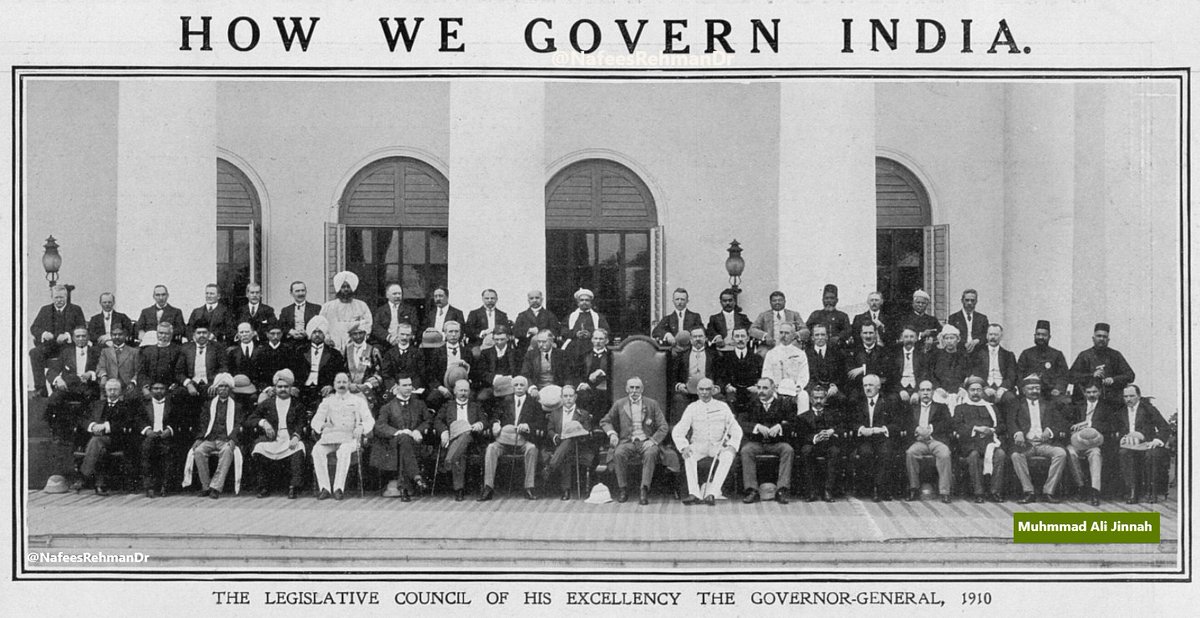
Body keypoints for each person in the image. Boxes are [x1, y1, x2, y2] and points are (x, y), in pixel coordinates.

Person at [601, 377, 679, 505]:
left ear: (642, 389)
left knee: (651, 453)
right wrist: (612, 434)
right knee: (618, 453)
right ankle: (623, 489)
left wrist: (653, 440)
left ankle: (644, 489)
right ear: (627, 389)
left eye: (637, 388)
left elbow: (663, 426)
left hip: (646, 441)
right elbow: (605, 421)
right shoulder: (620, 404)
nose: (634, 390)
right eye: (631, 387)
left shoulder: (652, 404)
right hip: (627, 441)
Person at [673, 378, 743, 506]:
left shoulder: (723, 407)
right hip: (698, 445)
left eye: (707, 389)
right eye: (701, 389)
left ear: (713, 390)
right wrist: (683, 447)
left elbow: (736, 429)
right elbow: (678, 431)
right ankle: (694, 494)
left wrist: (732, 446)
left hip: (717, 445)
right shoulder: (692, 408)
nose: (704, 392)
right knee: (689, 456)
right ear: (697, 391)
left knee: (728, 456)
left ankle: (712, 493)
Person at [479, 376, 545, 501]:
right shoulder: (505, 402)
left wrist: (528, 426)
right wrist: (496, 423)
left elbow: (541, 424)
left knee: (532, 449)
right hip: (504, 440)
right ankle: (488, 487)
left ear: (526, 387)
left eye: (522, 385)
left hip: (523, 440)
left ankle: (529, 487)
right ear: (512, 387)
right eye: (516, 385)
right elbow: (495, 417)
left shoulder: (534, 404)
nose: (519, 387)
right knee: (491, 448)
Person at [310, 372, 374, 500]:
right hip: (331, 437)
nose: (341, 385)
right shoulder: (327, 401)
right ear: (334, 384)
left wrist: (361, 427)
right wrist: (322, 426)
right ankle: (325, 487)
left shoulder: (358, 401)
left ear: (349, 384)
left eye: (344, 382)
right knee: (317, 450)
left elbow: (369, 420)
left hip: (350, 438)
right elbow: (315, 420)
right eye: (338, 382)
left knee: (343, 451)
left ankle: (338, 488)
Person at [246, 369, 308, 499]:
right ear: (275, 388)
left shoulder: (297, 405)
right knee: (258, 448)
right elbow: (251, 419)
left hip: (290, 438)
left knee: (299, 447)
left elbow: (301, 423)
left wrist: (296, 436)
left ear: (291, 388)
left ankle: (293, 486)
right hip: (272, 439)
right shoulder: (267, 404)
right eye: (280, 387)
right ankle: (264, 486)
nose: (283, 389)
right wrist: (264, 423)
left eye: (286, 387)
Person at [1009, 375, 1070, 504]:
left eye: (1037, 388)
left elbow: (1060, 423)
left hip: (1045, 444)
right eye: (1030, 388)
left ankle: (1049, 491)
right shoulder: (1017, 405)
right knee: (1016, 456)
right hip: (1026, 444)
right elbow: (1010, 422)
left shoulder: (1049, 405)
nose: (1034, 391)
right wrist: (1017, 432)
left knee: (1061, 453)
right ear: (1024, 390)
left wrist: (1050, 431)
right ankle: (1029, 492)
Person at [370, 375, 430, 501]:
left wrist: (418, 431)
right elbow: (379, 426)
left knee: (406, 442)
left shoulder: (419, 404)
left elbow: (428, 420)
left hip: (416, 442)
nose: (408, 388)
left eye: (410, 385)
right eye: (405, 385)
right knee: (404, 438)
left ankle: (405, 486)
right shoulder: (387, 407)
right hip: (393, 445)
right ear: (397, 387)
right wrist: (398, 432)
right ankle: (415, 477)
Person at [738, 377, 794, 504]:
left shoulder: (783, 404)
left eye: (765, 388)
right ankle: (752, 490)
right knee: (746, 450)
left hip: (776, 443)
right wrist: (756, 427)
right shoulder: (751, 403)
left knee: (788, 449)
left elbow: (794, 422)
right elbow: (741, 422)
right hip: (757, 443)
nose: (761, 391)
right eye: (759, 388)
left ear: (773, 389)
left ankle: (782, 490)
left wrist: (780, 426)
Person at [189, 373, 245, 499]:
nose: (223, 389)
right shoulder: (209, 405)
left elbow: (238, 424)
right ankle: (206, 486)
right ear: (216, 388)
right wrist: (199, 438)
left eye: (226, 386)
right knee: (198, 451)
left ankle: (216, 487)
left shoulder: (237, 406)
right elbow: (203, 423)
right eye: (220, 386)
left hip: (226, 439)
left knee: (227, 451)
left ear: (230, 389)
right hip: (210, 438)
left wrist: (233, 439)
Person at [72, 378, 129, 495]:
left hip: (115, 439)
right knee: (99, 447)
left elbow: (126, 423)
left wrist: (105, 426)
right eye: (110, 390)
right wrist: (92, 426)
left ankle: (83, 476)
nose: (112, 392)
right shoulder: (96, 404)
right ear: (105, 391)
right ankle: (100, 484)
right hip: (96, 439)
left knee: (96, 441)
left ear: (120, 392)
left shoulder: (125, 406)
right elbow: (84, 419)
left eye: (115, 390)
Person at [954, 377, 1007, 503]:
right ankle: (979, 492)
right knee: (973, 455)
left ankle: (995, 491)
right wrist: (976, 429)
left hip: (989, 443)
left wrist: (991, 430)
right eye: (972, 390)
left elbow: (1002, 426)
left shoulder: (991, 407)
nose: (976, 393)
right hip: (970, 444)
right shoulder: (960, 408)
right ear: (967, 391)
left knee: (1000, 454)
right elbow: (957, 426)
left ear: (983, 392)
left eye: (978, 390)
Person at [1114, 384, 1170, 504]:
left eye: (1132, 396)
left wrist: (1157, 440)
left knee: (1151, 455)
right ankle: (1132, 491)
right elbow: (1115, 430)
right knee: (1123, 453)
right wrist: (1122, 437)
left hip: (1148, 443)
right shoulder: (1121, 411)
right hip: (1130, 445)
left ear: (1139, 396)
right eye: (1126, 396)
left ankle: (1152, 492)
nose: (1128, 399)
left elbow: (1164, 427)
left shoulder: (1148, 409)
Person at [433, 378, 486, 501]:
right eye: (460, 390)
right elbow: (437, 420)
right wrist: (444, 431)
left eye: (466, 391)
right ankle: (459, 489)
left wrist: (480, 424)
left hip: (472, 438)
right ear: (455, 392)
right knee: (460, 450)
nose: (463, 393)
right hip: (454, 438)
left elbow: (485, 420)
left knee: (466, 433)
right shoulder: (447, 406)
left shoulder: (475, 406)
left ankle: (451, 465)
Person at [29, 284, 87, 394]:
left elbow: (82, 327)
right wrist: (44, 333)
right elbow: (34, 328)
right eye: (56, 297)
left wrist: (68, 335)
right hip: (49, 346)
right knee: (34, 353)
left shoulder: (75, 309)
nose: (59, 300)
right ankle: (41, 388)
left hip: (68, 346)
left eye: (62, 297)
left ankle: (70, 389)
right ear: (52, 297)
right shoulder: (45, 309)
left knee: (68, 358)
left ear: (66, 297)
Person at [44, 327, 101, 438]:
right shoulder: (66, 352)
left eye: (83, 336)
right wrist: (58, 379)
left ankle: (83, 435)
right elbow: (52, 370)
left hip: (88, 387)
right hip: (68, 387)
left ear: (88, 337)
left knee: (90, 405)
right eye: (78, 336)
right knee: (53, 400)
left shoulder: (96, 352)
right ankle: (55, 429)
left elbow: (103, 368)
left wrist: (91, 373)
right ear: (73, 339)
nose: (81, 339)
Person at [902, 380, 953, 503]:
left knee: (945, 454)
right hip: (919, 441)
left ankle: (945, 491)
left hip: (935, 440)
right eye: (923, 390)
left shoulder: (941, 407)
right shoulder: (912, 408)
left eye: (928, 390)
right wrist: (917, 429)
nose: (925, 393)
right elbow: (906, 424)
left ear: (933, 392)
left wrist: (930, 429)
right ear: (918, 392)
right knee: (910, 453)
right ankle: (913, 489)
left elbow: (948, 424)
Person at [850, 374, 898, 501]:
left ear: (878, 386)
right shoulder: (858, 402)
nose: (867, 388)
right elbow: (851, 422)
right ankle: (869, 488)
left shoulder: (888, 402)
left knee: (885, 453)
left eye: (870, 385)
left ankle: (880, 488)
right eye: (865, 385)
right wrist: (861, 429)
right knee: (866, 453)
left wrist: (883, 429)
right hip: (865, 439)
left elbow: (896, 423)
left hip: (882, 438)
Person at [1069, 322, 1136, 409]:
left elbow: (1130, 375)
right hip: (1088, 401)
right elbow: (1071, 376)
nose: (1101, 339)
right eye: (1099, 336)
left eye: (1104, 337)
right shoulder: (1084, 355)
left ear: (1108, 340)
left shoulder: (1115, 355)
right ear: (1093, 338)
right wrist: (1092, 375)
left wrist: (1113, 379)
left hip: (1112, 402)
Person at [796, 383, 844, 502]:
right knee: (806, 451)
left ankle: (828, 491)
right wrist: (815, 437)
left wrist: (832, 431)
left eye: (821, 398)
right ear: (811, 399)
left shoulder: (833, 414)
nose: (818, 401)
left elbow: (843, 428)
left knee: (835, 451)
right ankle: (811, 491)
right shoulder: (803, 417)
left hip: (829, 444)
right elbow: (801, 435)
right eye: (815, 398)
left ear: (825, 399)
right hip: (812, 444)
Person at [545, 384, 594, 501]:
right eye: (565, 396)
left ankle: (552, 468)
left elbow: (587, 431)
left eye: (571, 396)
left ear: (575, 397)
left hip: (578, 445)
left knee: (569, 441)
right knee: (565, 453)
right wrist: (555, 436)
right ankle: (565, 489)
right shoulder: (555, 413)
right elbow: (550, 430)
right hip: (559, 444)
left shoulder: (583, 413)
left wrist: (576, 434)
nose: (568, 399)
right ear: (561, 397)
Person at [1066, 381, 1110, 506]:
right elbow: (1068, 423)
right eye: (1089, 392)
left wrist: (1088, 424)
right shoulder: (1077, 406)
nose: (1092, 395)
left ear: (1100, 392)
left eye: (1095, 392)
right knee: (1070, 452)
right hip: (1077, 442)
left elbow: (1110, 425)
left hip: (1094, 443)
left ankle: (1095, 491)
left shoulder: (1105, 408)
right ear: (1084, 393)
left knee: (1095, 454)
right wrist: (1075, 428)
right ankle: (1081, 487)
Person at [1016, 319, 1071, 408]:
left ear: (1049, 337)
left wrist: (1058, 388)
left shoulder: (1057, 354)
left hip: (1050, 393)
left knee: (1063, 403)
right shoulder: (1026, 354)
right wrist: (1024, 389)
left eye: (1044, 335)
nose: (1041, 337)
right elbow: (1019, 374)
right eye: (1038, 334)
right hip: (1030, 392)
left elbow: (1064, 375)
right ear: (1034, 336)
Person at [670, 327, 720, 423]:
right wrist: (679, 385)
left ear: (705, 338)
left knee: (719, 397)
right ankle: (682, 433)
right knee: (678, 398)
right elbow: (673, 376)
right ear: (690, 340)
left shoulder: (714, 355)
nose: (698, 339)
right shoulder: (681, 356)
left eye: (700, 336)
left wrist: (716, 387)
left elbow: (720, 375)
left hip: (708, 391)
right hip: (687, 392)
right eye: (695, 337)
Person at [297, 315, 348, 410]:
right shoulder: (300, 351)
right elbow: (294, 371)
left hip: (323, 389)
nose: (317, 335)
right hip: (303, 389)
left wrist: (332, 386)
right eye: (314, 332)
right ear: (310, 334)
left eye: (320, 332)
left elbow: (340, 373)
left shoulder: (334, 354)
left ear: (324, 334)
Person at [760, 321, 810, 410]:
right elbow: (766, 374)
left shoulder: (800, 354)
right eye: (781, 332)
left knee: (804, 396)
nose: (783, 335)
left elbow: (804, 374)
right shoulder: (771, 353)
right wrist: (773, 387)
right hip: (776, 389)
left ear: (793, 335)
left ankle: (802, 422)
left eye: (787, 333)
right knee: (769, 397)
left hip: (794, 389)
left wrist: (799, 386)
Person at [138, 381, 176, 498]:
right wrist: (147, 430)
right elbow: (138, 419)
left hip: (165, 436)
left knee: (168, 453)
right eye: (155, 388)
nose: (158, 391)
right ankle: (149, 487)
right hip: (150, 435)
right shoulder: (144, 404)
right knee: (146, 451)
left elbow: (178, 418)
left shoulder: (172, 404)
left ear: (166, 390)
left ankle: (165, 486)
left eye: (161, 388)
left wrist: (169, 429)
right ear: (151, 390)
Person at [974, 323, 1018, 418]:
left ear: (1001, 336)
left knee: (1010, 398)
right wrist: (985, 387)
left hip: (1002, 388)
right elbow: (976, 374)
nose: (993, 337)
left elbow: (1011, 376)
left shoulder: (1008, 355)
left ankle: (1009, 430)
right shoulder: (978, 354)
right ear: (986, 336)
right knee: (980, 397)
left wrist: (1002, 389)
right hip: (985, 387)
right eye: (990, 334)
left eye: (996, 335)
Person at [321, 271, 373, 351]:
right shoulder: (328, 307)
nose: (346, 289)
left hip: (356, 344)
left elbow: (367, 324)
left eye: (348, 287)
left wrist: (359, 338)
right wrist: (326, 338)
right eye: (343, 287)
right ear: (338, 289)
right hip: (332, 345)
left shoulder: (361, 305)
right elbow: (322, 324)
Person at [717, 327, 763, 414]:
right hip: (733, 391)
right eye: (737, 336)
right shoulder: (725, 358)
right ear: (733, 339)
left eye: (743, 336)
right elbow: (721, 376)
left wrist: (757, 386)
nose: (740, 339)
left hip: (751, 391)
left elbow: (761, 376)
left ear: (748, 338)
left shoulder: (757, 358)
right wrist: (727, 386)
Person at [137, 322, 186, 398]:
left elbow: (179, 372)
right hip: (151, 387)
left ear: (171, 335)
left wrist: (175, 384)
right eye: (161, 333)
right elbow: (142, 373)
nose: (163, 336)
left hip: (170, 388)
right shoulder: (147, 351)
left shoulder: (178, 350)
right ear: (157, 334)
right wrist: (145, 387)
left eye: (167, 334)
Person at [560, 288, 610, 360]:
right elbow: (563, 331)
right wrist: (575, 333)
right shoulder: (571, 316)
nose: (584, 302)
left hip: (592, 347)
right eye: (582, 300)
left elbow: (606, 331)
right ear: (578, 303)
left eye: (587, 300)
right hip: (574, 348)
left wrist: (591, 334)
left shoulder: (598, 317)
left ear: (591, 303)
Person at [471, 324, 519, 400]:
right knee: (482, 397)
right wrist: (494, 378)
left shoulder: (515, 353)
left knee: (509, 399)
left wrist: (509, 379)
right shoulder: (485, 353)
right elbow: (481, 372)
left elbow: (518, 371)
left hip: (509, 386)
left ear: (507, 338)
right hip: (491, 386)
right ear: (493, 339)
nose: (499, 342)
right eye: (496, 339)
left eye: (502, 339)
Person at [574, 328, 613, 419]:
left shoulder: (611, 356)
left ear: (606, 341)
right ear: (592, 340)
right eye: (595, 338)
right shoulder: (584, 355)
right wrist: (582, 384)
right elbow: (577, 373)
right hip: (586, 388)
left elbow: (614, 374)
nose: (598, 342)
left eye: (601, 339)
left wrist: (601, 372)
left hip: (605, 389)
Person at [928, 324, 970, 407]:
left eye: (952, 338)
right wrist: (937, 388)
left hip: (959, 391)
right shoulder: (936, 356)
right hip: (941, 391)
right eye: (946, 338)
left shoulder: (964, 356)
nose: (949, 341)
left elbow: (968, 374)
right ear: (943, 340)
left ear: (957, 339)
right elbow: (931, 374)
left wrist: (963, 389)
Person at [845, 322, 889, 399]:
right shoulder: (853, 351)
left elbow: (884, 370)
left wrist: (864, 369)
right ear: (861, 334)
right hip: (859, 388)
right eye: (865, 333)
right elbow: (851, 373)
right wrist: (873, 369)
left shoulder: (883, 351)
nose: (868, 336)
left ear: (875, 334)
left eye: (871, 333)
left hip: (879, 389)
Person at [380, 321, 425, 396]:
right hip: (395, 389)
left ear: (411, 336)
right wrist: (394, 387)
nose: (404, 337)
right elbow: (386, 374)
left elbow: (420, 374)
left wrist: (412, 386)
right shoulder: (389, 354)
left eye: (407, 335)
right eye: (402, 334)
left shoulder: (417, 353)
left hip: (412, 389)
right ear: (397, 334)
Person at [370, 283, 419, 350]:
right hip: (385, 343)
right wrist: (388, 337)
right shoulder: (380, 311)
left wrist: (404, 337)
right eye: (394, 294)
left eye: (399, 294)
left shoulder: (410, 310)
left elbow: (414, 325)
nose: (398, 296)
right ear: (387, 295)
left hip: (405, 341)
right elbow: (376, 327)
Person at [511, 289, 560, 357]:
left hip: (545, 348)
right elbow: (515, 331)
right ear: (528, 301)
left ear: (542, 299)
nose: (534, 300)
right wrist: (528, 331)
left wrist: (539, 332)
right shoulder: (522, 315)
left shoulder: (550, 315)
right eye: (531, 298)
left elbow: (555, 331)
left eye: (537, 298)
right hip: (525, 348)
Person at [805, 323, 847, 402]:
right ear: (812, 338)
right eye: (817, 335)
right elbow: (806, 376)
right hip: (813, 388)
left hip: (831, 388)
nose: (820, 338)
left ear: (827, 337)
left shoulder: (837, 353)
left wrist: (835, 385)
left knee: (842, 400)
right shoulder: (806, 354)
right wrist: (815, 389)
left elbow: (842, 373)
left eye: (823, 335)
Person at [96, 326, 140, 398]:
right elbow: (101, 367)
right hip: (110, 385)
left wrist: (133, 382)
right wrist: (104, 376)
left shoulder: (134, 352)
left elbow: (138, 371)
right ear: (111, 336)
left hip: (127, 387)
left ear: (125, 335)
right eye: (114, 335)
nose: (117, 337)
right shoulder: (105, 351)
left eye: (120, 334)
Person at [343, 323, 384, 400]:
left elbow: (379, 372)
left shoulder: (373, 351)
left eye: (360, 333)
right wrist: (348, 384)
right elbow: (343, 369)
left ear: (365, 333)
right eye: (355, 334)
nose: (358, 336)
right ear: (350, 335)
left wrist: (367, 385)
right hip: (349, 390)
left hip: (368, 391)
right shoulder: (347, 350)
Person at [278, 280, 322, 350]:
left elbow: (320, 325)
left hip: (310, 343)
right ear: (291, 293)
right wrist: (291, 332)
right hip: (290, 344)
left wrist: (308, 332)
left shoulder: (316, 308)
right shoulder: (286, 310)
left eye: (303, 290)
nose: (301, 293)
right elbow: (281, 325)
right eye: (297, 291)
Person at [805, 284, 852, 348]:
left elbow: (848, 330)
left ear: (836, 300)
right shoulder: (815, 314)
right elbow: (807, 329)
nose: (829, 301)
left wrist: (838, 337)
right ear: (822, 300)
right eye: (826, 298)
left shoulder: (842, 316)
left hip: (837, 347)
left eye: (832, 298)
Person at [888, 327, 927, 405]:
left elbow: (923, 375)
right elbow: (892, 376)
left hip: (916, 386)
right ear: (902, 338)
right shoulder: (895, 355)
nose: (909, 340)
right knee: (892, 399)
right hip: (899, 386)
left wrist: (917, 392)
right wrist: (901, 390)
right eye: (906, 337)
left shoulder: (922, 355)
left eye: (912, 337)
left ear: (916, 339)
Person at [947, 289, 989, 358]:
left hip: (978, 354)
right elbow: (950, 336)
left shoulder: (982, 318)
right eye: (967, 300)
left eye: (972, 300)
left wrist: (977, 341)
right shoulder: (953, 318)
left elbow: (986, 335)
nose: (969, 303)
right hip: (959, 354)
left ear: (976, 301)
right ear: (962, 301)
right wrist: (964, 344)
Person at [225, 321, 265, 386]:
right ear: (237, 335)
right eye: (241, 332)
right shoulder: (232, 351)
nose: (244, 334)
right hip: (238, 386)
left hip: (258, 385)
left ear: (253, 333)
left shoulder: (261, 350)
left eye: (247, 332)